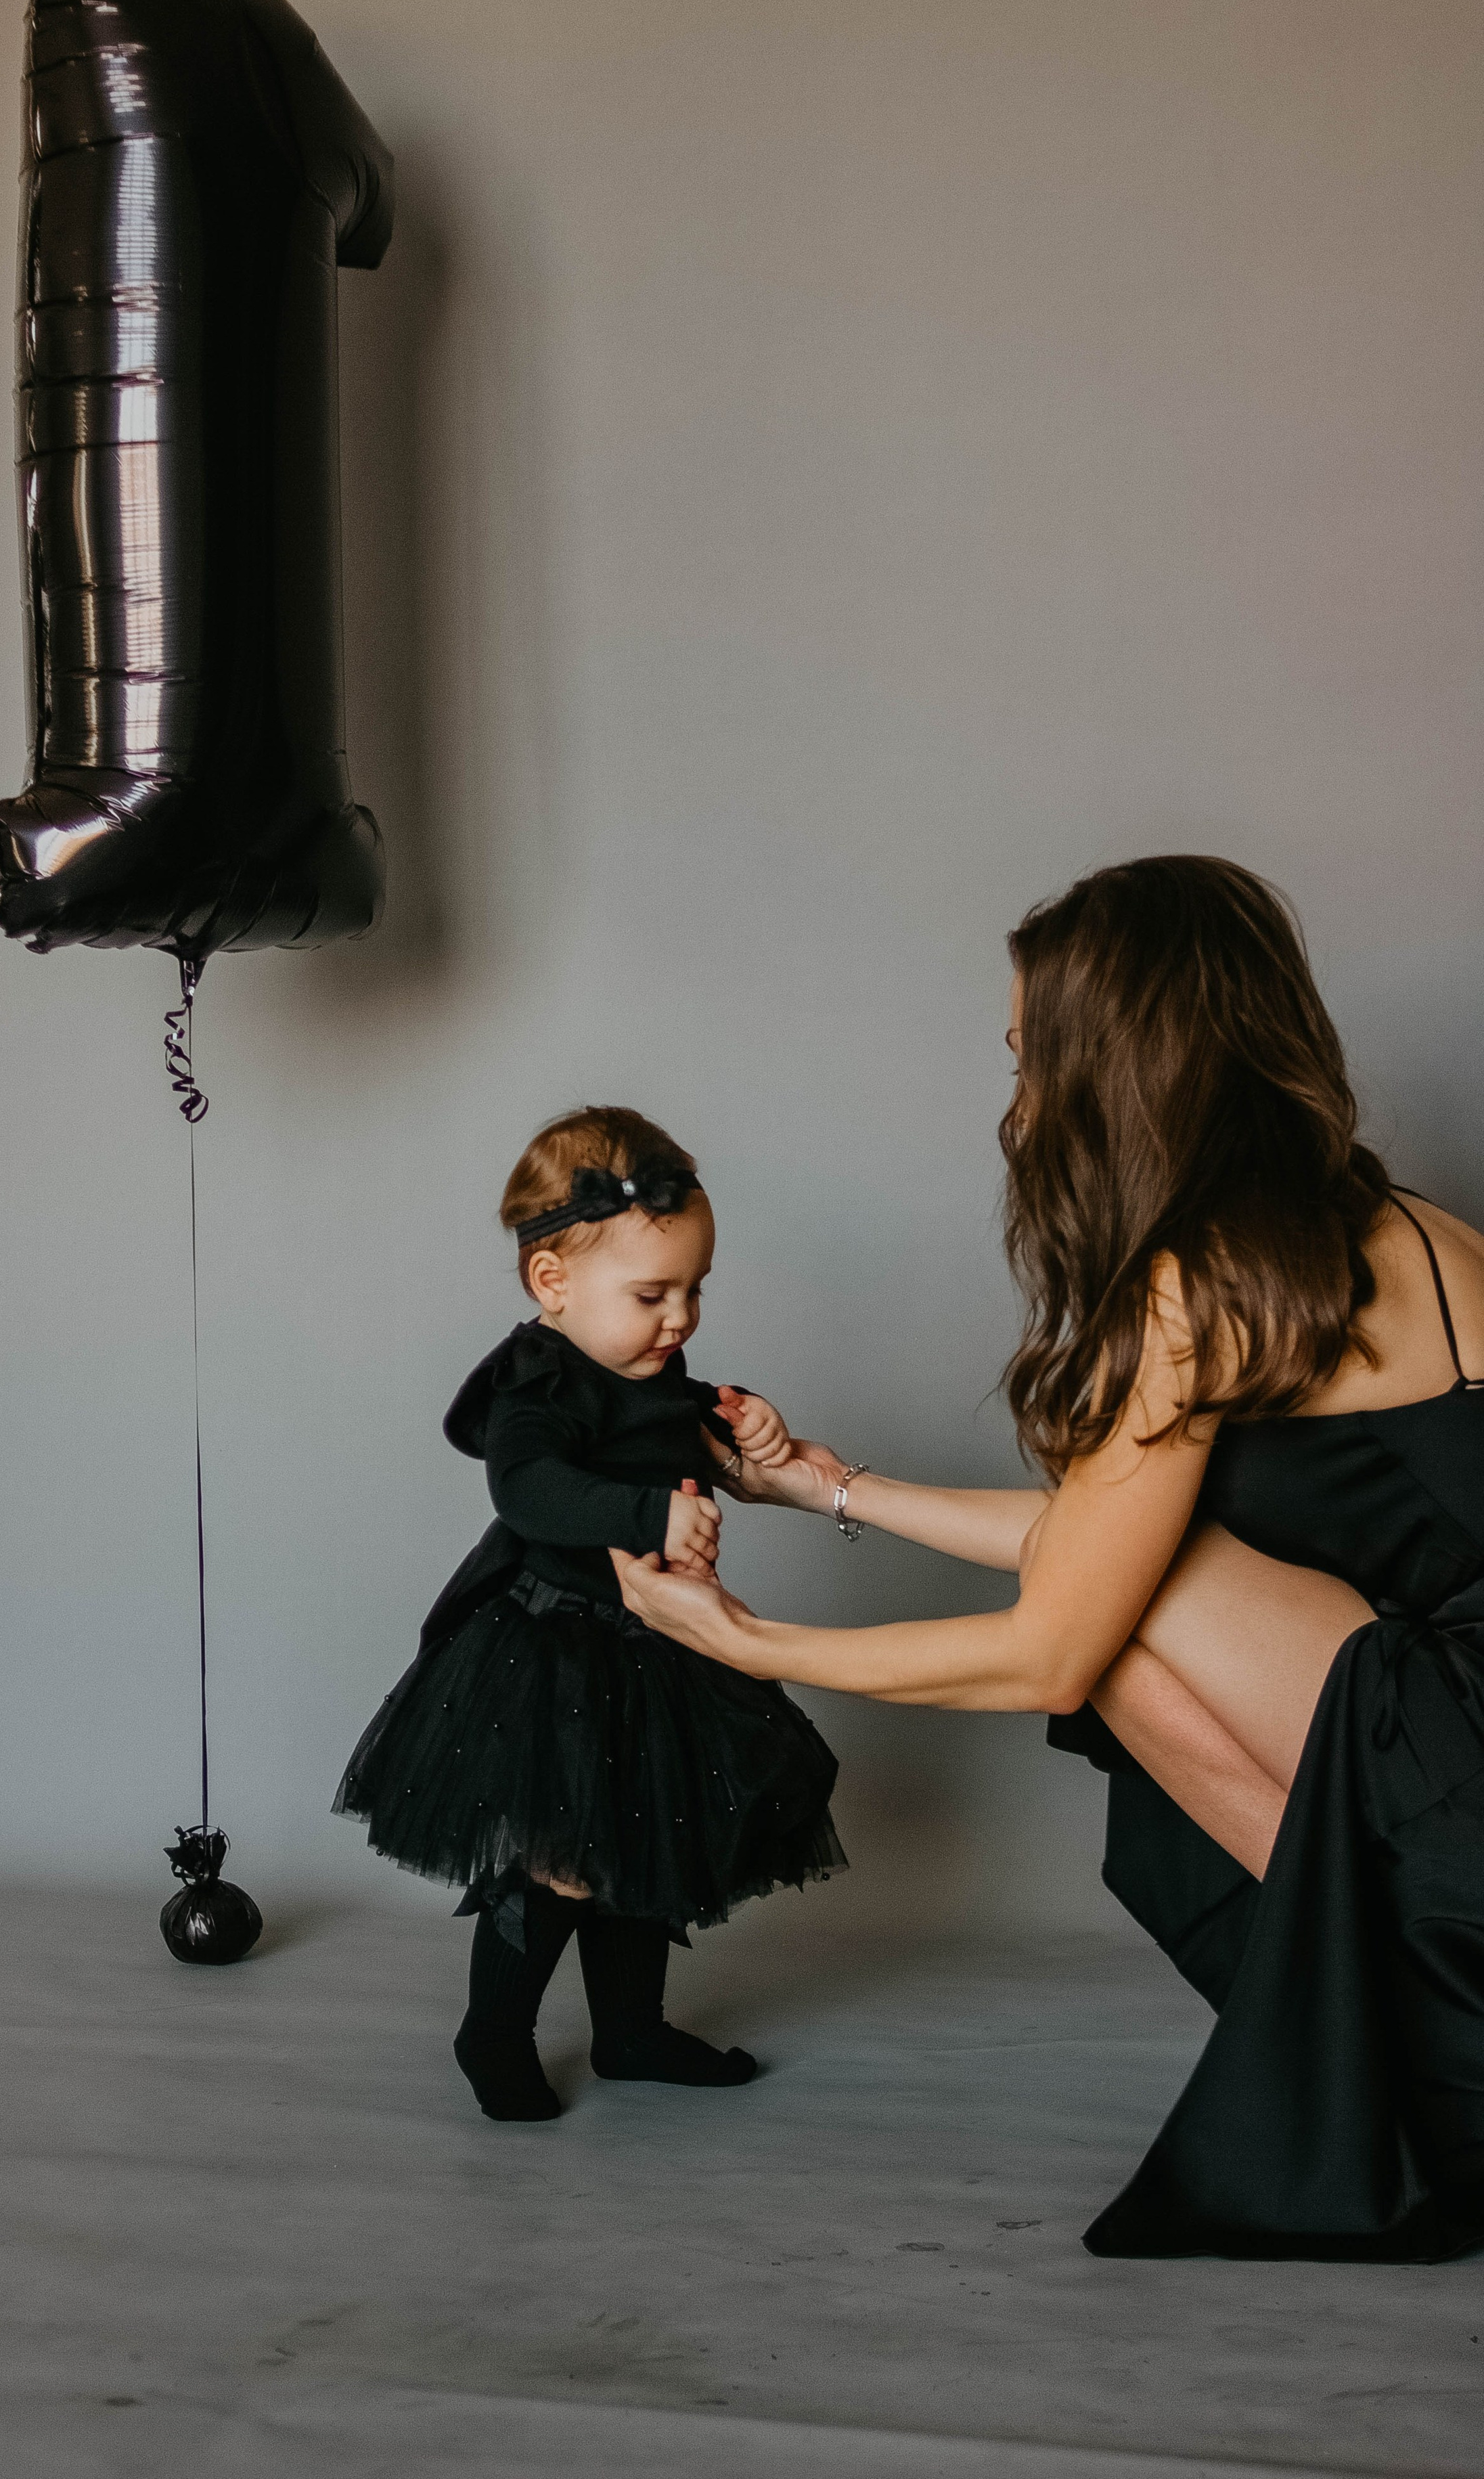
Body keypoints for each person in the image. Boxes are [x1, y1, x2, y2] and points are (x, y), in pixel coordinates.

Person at [614, 857, 1484, 2261]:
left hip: (1465, 1798)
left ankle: (1408, 2049)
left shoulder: (1203, 1280)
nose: (1017, 1101)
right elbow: (1116, 1547)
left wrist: (746, 1641)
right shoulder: (1412, 1230)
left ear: (1116, 1065)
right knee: (1128, 1605)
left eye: (1031, 1056)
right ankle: (1405, 2035)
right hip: (1450, 1762)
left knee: (1106, 1644)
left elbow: (1059, 1641)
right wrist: (829, 1487)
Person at [334, 1105, 846, 2124]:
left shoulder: (655, 1370)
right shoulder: (536, 1380)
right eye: (652, 1295)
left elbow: (687, 1436)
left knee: (645, 1837)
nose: (680, 1319)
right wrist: (648, 1513)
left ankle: (630, 2030)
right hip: (554, 1646)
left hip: (659, 1644)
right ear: (552, 1282)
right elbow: (528, 1491)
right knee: (561, 1859)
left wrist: (745, 1430)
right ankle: (494, 2030)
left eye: (695, 1290)